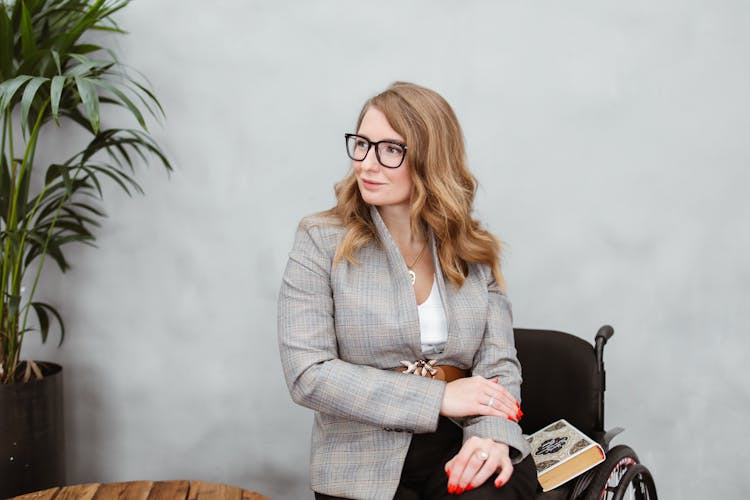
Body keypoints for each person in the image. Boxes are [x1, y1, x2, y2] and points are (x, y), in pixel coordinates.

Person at [278, 82, 537, 499]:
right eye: (361, 144)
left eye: (390, 150)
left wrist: (491, 437)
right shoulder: (320, 239)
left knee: (493, 490)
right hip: (360, 454)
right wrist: (437, 396)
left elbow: (499, 365)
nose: (366, 164)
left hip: (459, 437)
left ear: (430, 159)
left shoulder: (472, 248)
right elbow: (308, 374)